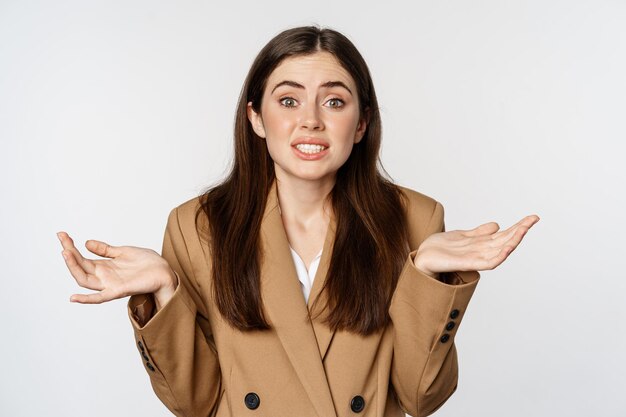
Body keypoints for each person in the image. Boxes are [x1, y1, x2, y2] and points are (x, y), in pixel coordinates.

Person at [57, 25, 539, 417]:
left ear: (362, 122)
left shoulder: (415, 218)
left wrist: (428, 277)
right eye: (288, 101)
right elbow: (192, 402)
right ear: (256, 118)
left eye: (334, 101)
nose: (311, 120)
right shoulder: (198, 226)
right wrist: (164, 290)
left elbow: (421, 398)